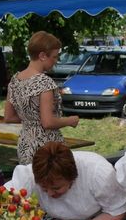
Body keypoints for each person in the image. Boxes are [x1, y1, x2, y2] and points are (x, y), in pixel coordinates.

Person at [5, 141, 126, 220]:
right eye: (44, 188)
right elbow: (5, 196)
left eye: (56, 188)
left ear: (72, 178)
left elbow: (117, 212)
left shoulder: (98, 173)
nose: (50, 193)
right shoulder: (30, 175)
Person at [4, 31, 79, 164]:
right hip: (47, 149)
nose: (56, 61)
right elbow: (48, 122)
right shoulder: (44, 83)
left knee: (28, 183)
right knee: (53, 183)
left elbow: (8, 117)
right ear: (42, 56)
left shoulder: (15, 80)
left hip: (25, 144)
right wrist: (70, 121)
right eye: (55, 57)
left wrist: (31, 120)